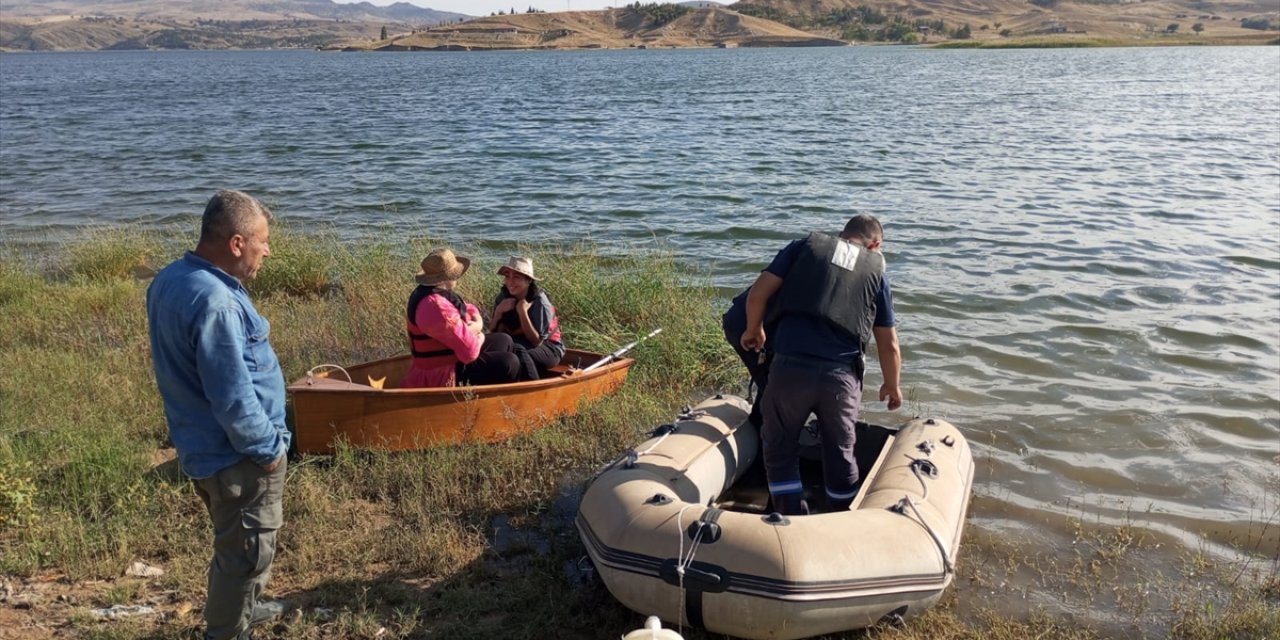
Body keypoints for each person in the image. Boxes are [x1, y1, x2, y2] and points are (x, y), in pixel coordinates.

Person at [146, 190, 290, 640]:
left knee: (236, 545)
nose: (267, 250)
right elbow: (232, 397)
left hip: (201, 446)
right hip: (236, 457)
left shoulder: (172, 279)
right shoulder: (217, 302)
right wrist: (268, 452)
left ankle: (243, 608)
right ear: (236, 243)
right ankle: (228, 630)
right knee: (245, 553)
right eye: (261, 242)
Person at [740, 214, 902, 516]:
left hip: (789, 370)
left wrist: (753, 329)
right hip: (839, 379)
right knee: (840, 453)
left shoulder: (804, 247)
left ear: (843, 233)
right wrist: (892, 385)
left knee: (780, 448)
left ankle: (789, 518)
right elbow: (888, 342)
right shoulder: (876, 273)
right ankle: (839, 519)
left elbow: (758, 294)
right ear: (876, 244)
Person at [403, 247, 520, 388]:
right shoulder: (434, 305)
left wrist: (477, 322)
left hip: (453, 357)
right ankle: (489, 405)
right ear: (448, 277)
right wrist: (480, 334)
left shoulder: (435, 292)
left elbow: (468, 307)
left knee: (503, 340)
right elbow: (469, 353)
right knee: (509, 363)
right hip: (441, 373)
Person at [489, 256, 565, 380]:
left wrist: (522, 311)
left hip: (549, 348)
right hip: (517, 343)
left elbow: (537, 341)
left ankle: (533, 387)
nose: (510, 282)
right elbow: (492, 332)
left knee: (516, 351)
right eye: (507, 277)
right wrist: (498, 312)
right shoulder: (503, 297)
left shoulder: (540, 301)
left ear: (528, 280)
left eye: (516, 277)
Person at [722, 286, 773, 427]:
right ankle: (760, 429)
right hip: (746, 322)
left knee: (770, 382)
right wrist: (753, 328)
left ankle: (760, 423)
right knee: (772, 388)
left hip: (743, 316)